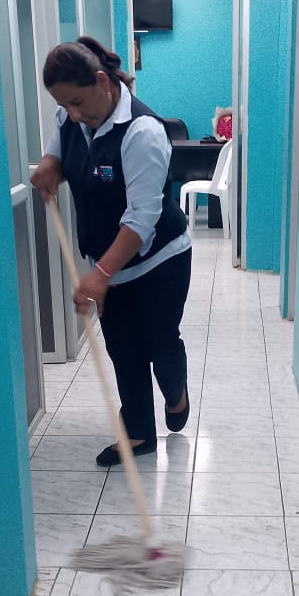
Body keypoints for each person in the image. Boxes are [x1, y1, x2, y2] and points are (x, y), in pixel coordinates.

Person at [30, 37, 192, 468]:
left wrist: (100, 274)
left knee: (159, 342)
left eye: (78, 102)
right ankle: (138, 434)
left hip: (160, 260)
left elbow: (141, 219)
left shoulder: (142, 132)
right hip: (110, 264)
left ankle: (176, 392)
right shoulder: (70, 116)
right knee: (123, 349)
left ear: (103, 82)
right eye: (64, 105)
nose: (72, 113)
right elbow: (61, 152)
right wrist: (50, 165)